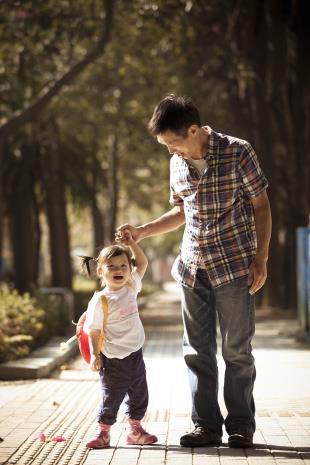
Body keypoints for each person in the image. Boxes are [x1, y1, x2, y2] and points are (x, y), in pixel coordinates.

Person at [116, 94, 272, 449]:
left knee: (236, 350)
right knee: (196, 350)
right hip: (192, 268)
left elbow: (261, 205)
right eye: (166, 146)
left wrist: (261, 259)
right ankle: (205, 426)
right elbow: (181, 212)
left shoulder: (238, 152)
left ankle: (240, 426)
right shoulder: (177, 164)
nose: (172, 151)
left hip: (233, 266)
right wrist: (142, 231)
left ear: (193, 130)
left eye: (173, 143)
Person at [82, 232, 158, 449]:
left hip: (135, 354)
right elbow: (94, 330)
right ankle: (103, 433)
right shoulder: (101, 300)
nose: (118, 270)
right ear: (100, 271)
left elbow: (142, 262)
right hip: (113, 359)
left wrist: (132, 243)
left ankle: (134, 430)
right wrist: (95, 355)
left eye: (123, 266)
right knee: (111, 397)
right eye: (112, 266)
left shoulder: (132, 286)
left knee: (140, 394)